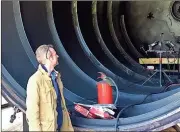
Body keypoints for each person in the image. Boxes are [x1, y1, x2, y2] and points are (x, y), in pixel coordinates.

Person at [26, 44, 74, 131]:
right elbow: (32, 113)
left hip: (60, 127)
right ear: (49, 57)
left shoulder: (56, 77)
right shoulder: (35, 80)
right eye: (55, 54)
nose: (57, 56)